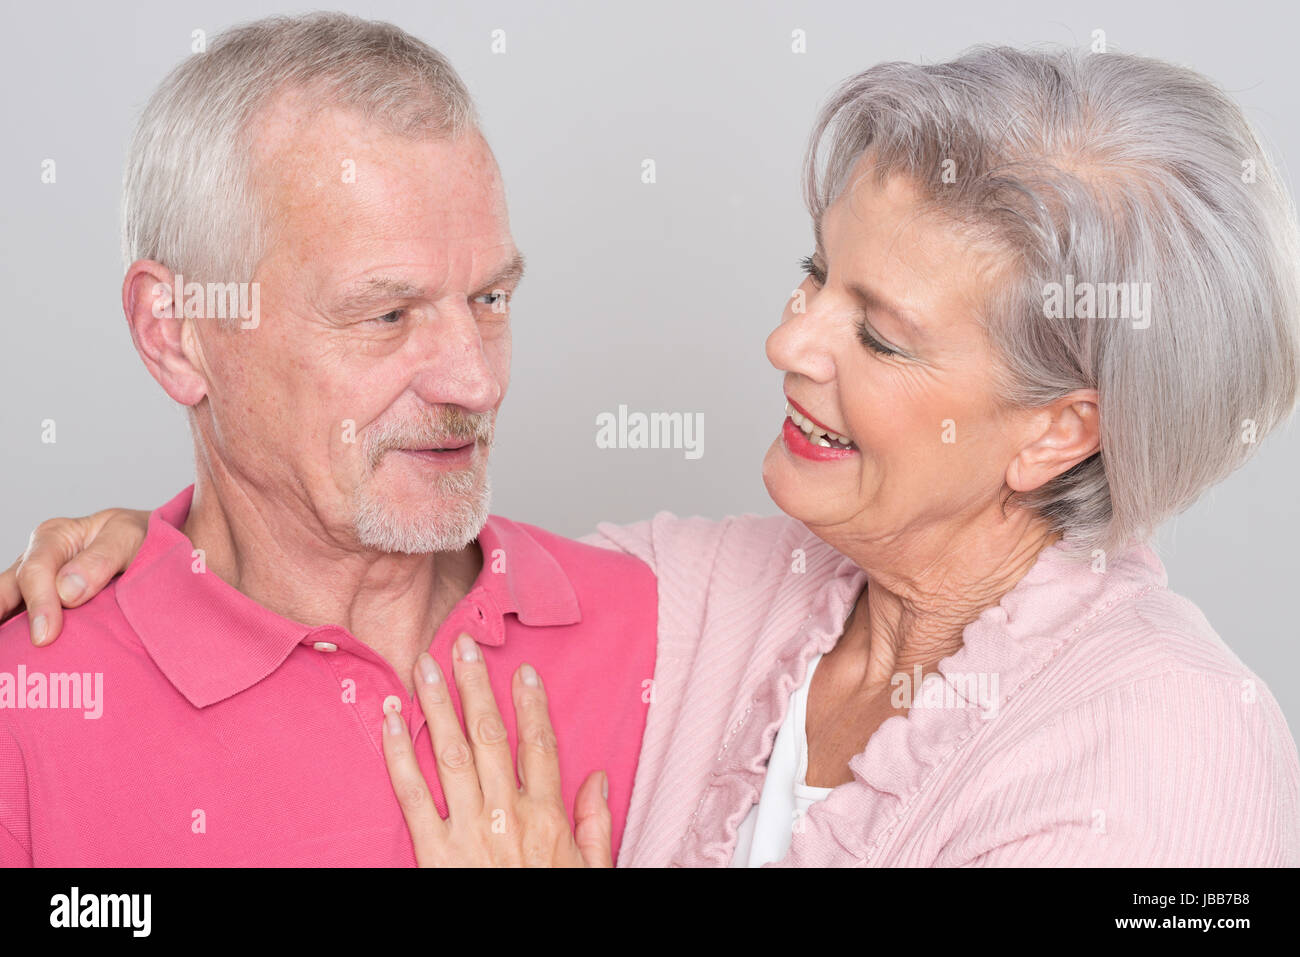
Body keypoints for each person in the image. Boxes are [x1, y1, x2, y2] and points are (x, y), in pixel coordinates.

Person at [8, 42, 1300, 866]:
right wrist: (166, 555)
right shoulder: (712, 604)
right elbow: (309, 548)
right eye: (814, 277)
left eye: (882, 337)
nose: (787, 341)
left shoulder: (1169, 758)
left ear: (1058, 429)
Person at [0, 13, 658, 867]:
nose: (477, 383)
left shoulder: (661, 628)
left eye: (490, 300)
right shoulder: (30, 703)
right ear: (175, 334)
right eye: (386, 314)